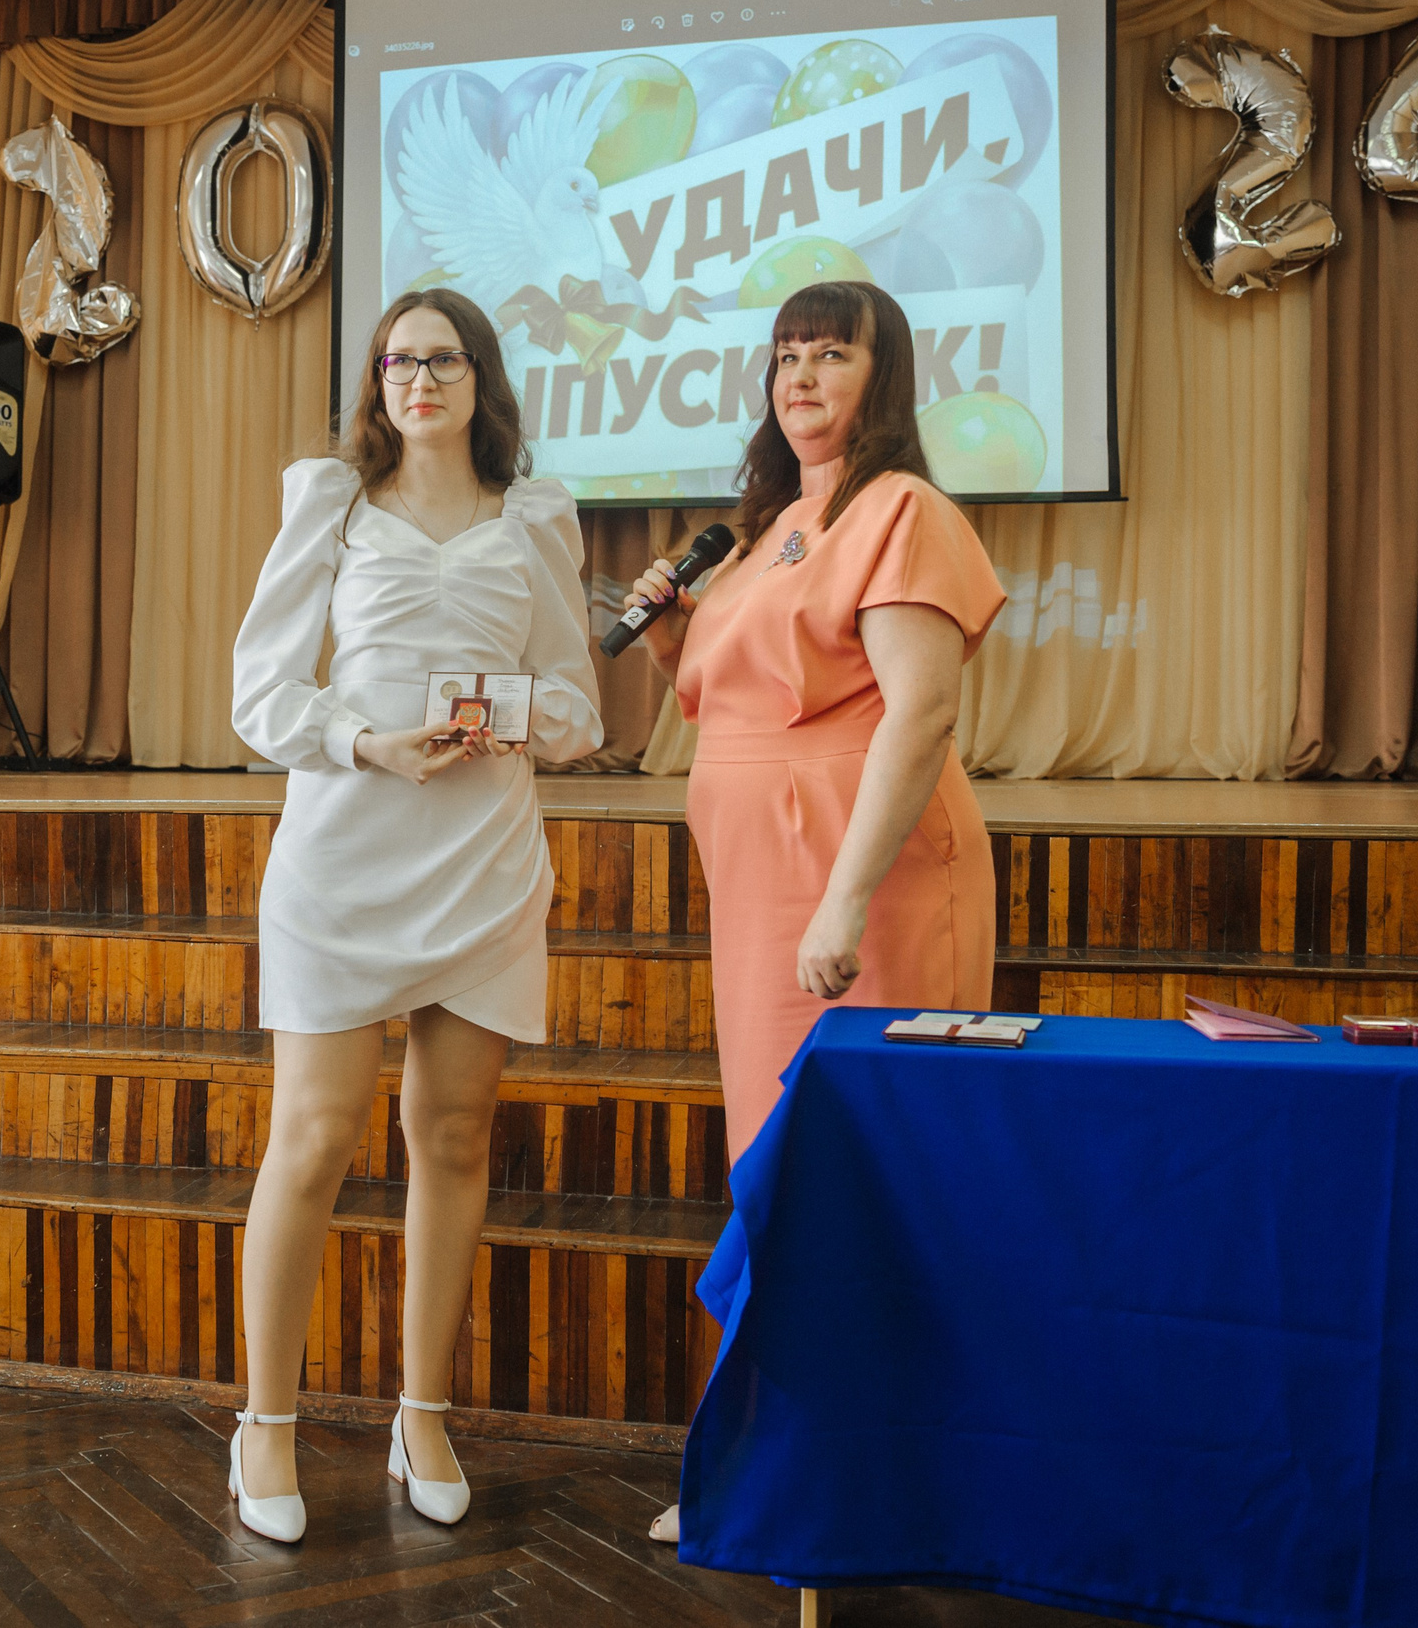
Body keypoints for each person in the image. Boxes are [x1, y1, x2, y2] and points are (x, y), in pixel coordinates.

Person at [625, 279, 1008, 1543]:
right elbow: (722, 699)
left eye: (829, 355)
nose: (800, 377)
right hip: (758, 886)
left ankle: (877, 1480)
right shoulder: (761, 527)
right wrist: (667, 625)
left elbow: (922, 711)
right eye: (785, 355)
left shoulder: (902, 511)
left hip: (866, 880)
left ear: (879, 377)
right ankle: (776, 1466)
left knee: (861, 1168)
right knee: (773, 1167)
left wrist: (842, 897)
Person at [226, 287, 604, 1543]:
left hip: (485, 850)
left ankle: (420, 1411)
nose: (415, 378)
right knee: (314, 1135)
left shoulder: (534, 513)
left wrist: (512, 715)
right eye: (395, 360)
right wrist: (364, 739)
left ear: (479, 376)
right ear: (376, 382)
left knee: (450, 1135)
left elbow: (578, 704)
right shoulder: (327, 500)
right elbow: (261, 693)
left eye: (440, 358)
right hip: (345, 847)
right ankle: (263, 1427)